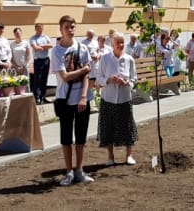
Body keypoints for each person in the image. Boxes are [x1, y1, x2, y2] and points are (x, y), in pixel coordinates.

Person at [51, 15, 94, 186]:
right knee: (66, 136)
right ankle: (68, 171)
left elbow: (87, 75)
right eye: (67, 27)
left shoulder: (82, 48)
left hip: (82, 98)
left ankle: (79, 170)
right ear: (61, 29)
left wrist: (84, 96)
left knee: (81, 136)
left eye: (73, 27)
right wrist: (83, 69)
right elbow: (65, 76)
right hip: (64, 98)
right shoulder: (56, 51)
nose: (71, 30)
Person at [96, 32, 138, 166]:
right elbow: (98, 79)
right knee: (108, 127)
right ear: (112, 44)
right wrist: (109, 79)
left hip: (124, 99)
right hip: (108, 99)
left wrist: (126, 83)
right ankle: (110, 156)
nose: (120, 45)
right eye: (117, 42)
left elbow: (134, 79)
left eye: (122, 42)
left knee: (127, 126)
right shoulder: (105, 59)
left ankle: (129, 155)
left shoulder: (129, 59)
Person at [30, 23, 53, 104]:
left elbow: (50, 45)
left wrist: (42, 46)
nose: (40, 29)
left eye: (41, 28)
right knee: (37, 79)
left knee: (44, 79)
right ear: (35, 29)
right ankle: (36, 97)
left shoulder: (45, 37)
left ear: (43, 28)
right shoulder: (33, 38)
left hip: (46, 60)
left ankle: (43, 96)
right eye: (38, 28)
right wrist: (44, 47)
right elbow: (36, 48)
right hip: (38, 61)